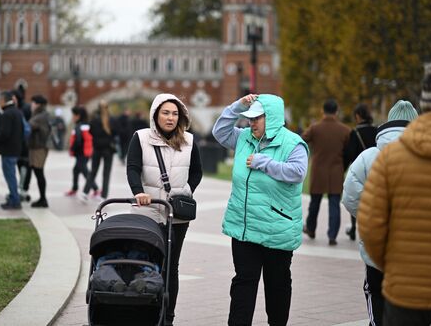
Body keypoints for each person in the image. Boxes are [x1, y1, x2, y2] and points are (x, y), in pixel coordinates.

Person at [358, 62, 431, 326]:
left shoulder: (391, 159)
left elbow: (370, 226)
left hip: (404, 293)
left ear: (427, 108)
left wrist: (395, 266)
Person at [212, 94, 308, 326]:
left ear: (273, 118)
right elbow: (220, 132)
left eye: (257, 118)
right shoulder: (244, 138)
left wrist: (263, 162)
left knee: (277, 286)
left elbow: (297, 173)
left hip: (277, 227)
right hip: (244, 227)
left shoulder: (292, 143)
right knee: (243, 283)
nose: (251, 123)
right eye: (250, 118)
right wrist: (237, 107)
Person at [126, 93, 203, 326]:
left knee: (171, 267)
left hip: (175, 215)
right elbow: (132, 168)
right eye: (165, 113)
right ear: (155, 115)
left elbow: (197, 172)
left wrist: (187, 190)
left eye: (175, 113)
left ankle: (167, 317)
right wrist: (138, 191)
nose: (170, 118)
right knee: (147, 263)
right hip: (147, 212)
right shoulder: (140, 138)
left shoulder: (189, 141)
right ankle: (146, 313)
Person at [342, 100, 418, 326]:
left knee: (375, 294)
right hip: (415, 250)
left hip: (376, 247)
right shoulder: (428, 156)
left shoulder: (368, 157)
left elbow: (350, 196)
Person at [302, 98, 350, 245]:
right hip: (336, 171)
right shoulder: (345, 130)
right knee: (334, 204)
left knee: (314, 202)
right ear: (336, 111)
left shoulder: (315, 128)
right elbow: (349, 151)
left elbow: (301, 140)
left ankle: (311, 228)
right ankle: (332, 235)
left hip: (318, 171)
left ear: (323, 111)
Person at [343, 103, 377, 240]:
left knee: (357, 196)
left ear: (357, 116)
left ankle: (354, 228)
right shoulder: (376, 131)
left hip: (360, 170)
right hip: (375, 168)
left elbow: (349, 153)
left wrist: (344, 168)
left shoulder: (355, 133)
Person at [82, 100, 118, 201]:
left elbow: (90, 132)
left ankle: (85, 192)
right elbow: (116, 132)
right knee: (106, 173)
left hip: (97, 149)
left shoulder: (94, 121)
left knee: (93, 171)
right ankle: (103, 196)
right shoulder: (112, 120)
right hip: (108, 150)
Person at [0, 91, 24, 210]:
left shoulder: (7, 114)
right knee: (12, 175)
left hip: (8, 150)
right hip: (16, 149)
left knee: (10, 176)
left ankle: (15, 200)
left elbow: (4, 133)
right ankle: (14, 198)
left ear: (3, 100)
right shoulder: (17, 112)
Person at [28, 95, 51, 208]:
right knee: (38, 172)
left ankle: (43, 199)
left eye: (33, 103)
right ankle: (42, 198)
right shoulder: (40, 115)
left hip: (39, 147)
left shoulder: (40, 116)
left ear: (38, 104)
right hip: (36, 147)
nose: (31, 105)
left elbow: (29, 126)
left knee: (39, 172)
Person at [66, 106, 93, 196]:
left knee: (84, 170)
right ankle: (74, 188)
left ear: (78, 116)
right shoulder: (87, 125)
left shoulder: (79, 126)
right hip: (87, 151)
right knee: (76, 170)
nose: (72, 117)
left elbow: (77, 141)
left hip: (81, 152)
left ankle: (96, 188)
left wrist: (72, 150)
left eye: (73, 115)